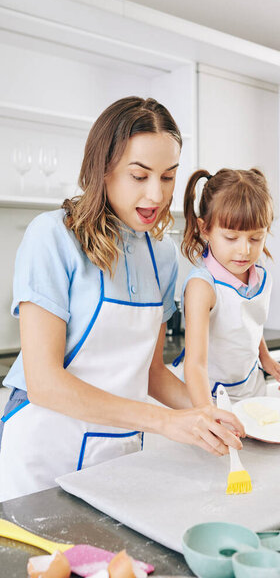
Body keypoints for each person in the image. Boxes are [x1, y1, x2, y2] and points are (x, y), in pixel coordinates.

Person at [0, 97, 244, 502]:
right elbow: (44, 383)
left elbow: (151, 372)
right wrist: (166, 422)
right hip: (42, 455)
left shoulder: (162, 256)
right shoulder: (52, 237)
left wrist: (215, 417)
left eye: (168, 177)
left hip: (118, 453)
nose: (155, 194)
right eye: (139, 175)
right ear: (103, 168)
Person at [178, 168, 280, 406]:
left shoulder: (259, 275)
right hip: (210, 397)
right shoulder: (203, 287)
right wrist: (207, 414)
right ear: (205, 228)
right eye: (231, 238)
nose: (244, 250)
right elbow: (195, 364)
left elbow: (247, 323)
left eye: (255, 238)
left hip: (252, 386)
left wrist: (265, 357)